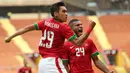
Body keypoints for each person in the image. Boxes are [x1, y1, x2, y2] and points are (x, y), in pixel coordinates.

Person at [5, 2, 96, 73]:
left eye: (66, 11)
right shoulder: (63, 27)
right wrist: (90, 28)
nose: (66, 14)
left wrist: (10, 37)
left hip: (43, 63)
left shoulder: (45, 22)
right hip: (53, 62)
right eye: (63, 11)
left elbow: (27, 28)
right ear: (55, 14)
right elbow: (78, 42)